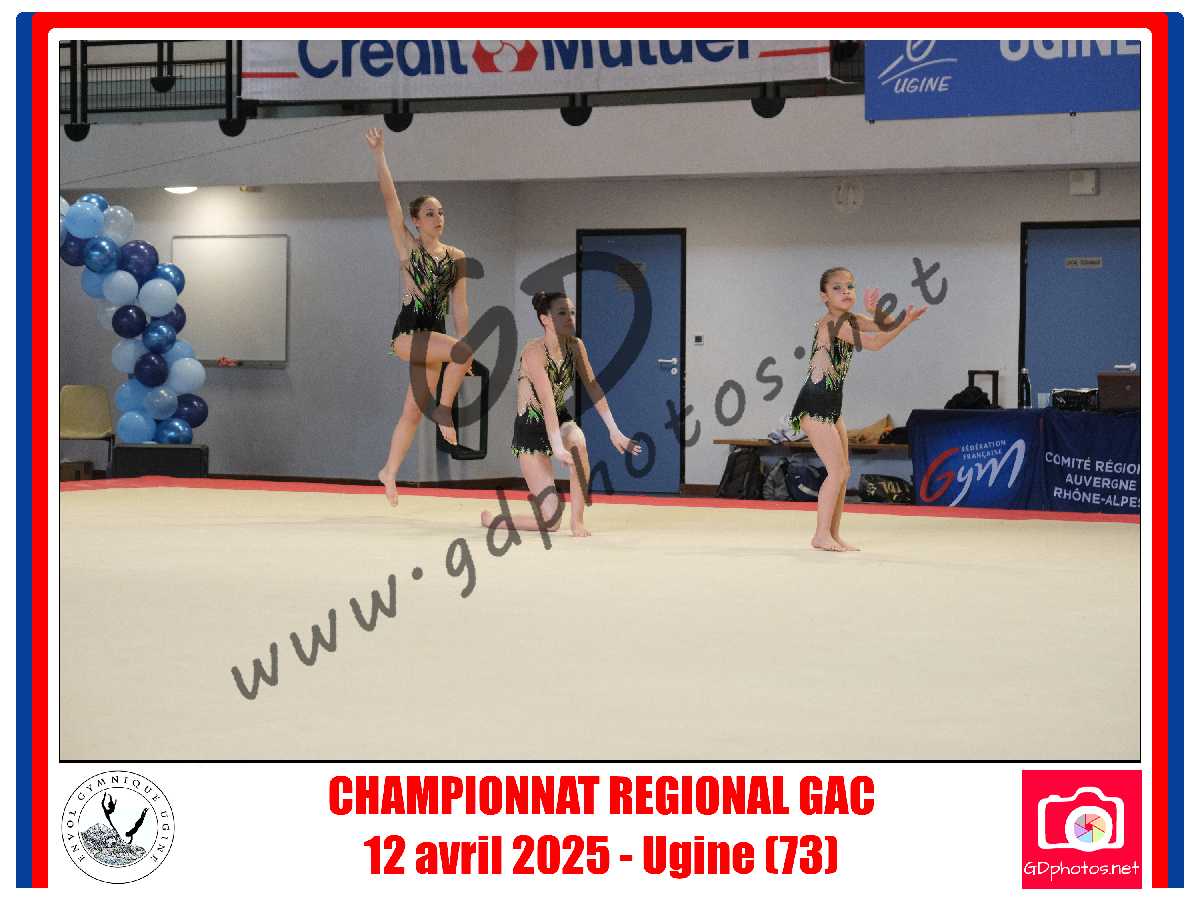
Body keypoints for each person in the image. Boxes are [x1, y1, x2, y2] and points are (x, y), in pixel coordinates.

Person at [365, 127, 475, 506]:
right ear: (415, 220)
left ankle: (389, 472)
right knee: (459, 356)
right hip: (408, 334)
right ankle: (444, 413)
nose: (437, 217)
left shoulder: (457, 257)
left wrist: (463, 348)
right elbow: (389, 198)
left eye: (441, 212)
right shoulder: (408, 248)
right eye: (429, 213)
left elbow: (460, 306)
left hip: (434, 336)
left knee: (413, 410)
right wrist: (379, 154)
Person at [480, 291, 640, 538]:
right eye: (562, 313)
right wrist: (556, 446)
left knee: (578, 441)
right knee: (551, 522)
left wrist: (614, 431)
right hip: (531, 427)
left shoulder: (576, 346)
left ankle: (577, 521)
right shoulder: (533, 351)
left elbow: (593, 387)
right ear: (545, 319)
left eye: (572, 312)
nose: (569, 318)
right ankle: (496, 521)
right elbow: (545, 400)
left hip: (559, 416)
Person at [790, 267, 928, 551]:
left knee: (843, 471)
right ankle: (820, 534)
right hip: (814, 404)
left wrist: (877, 310)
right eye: (837, 288)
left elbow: (883, 326)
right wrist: (904, 323)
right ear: (824, 296)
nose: (845, 291)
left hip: (830, 404)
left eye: (850, 286)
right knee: (838, 471)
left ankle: (833, 534)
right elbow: (876, 343)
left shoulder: (850, 319)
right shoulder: (832, 324)